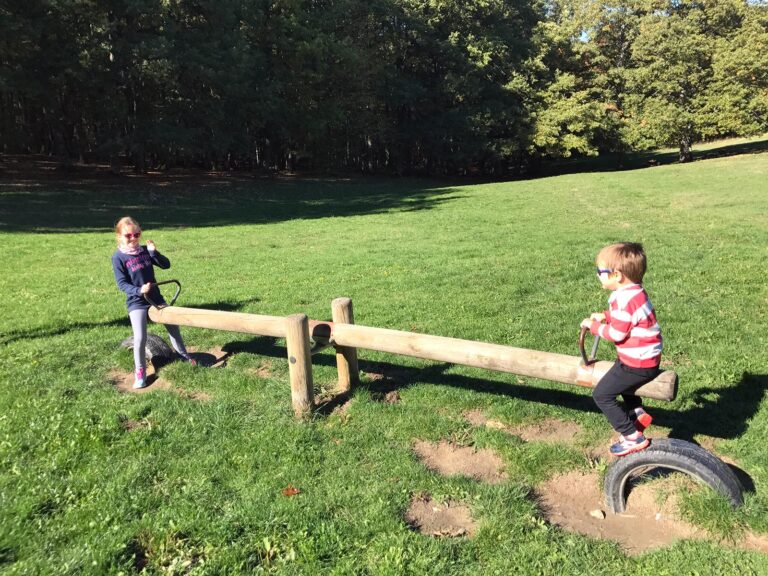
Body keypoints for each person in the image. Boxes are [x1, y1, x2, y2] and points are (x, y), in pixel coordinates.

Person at [581, 242, 662, 456]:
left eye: (600, 272)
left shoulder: (625, 300)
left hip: (637, 364)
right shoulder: (635, 293)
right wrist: (606, 316)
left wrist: (595, 327)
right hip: (644, 358)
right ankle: (636, 413)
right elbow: (630, 320)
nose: (598, 275)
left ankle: (632, 436)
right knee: (620, 379)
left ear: (617, 275)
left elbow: (617, 333)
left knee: (602, 395)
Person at [111, 216, 196, 389]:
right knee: (140, 338)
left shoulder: (144, 251)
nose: (133, 239)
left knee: (173, 326)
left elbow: (166, 265)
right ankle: (140, 372)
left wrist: (153, 252)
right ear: (119, 236)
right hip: (137, 302)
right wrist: (138, 290)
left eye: (137, 234)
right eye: (128, 236)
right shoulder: (118, 257)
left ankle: (183, 355)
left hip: (156, 298)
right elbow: (122, 284)